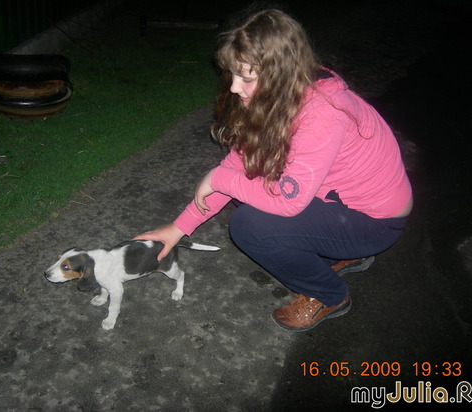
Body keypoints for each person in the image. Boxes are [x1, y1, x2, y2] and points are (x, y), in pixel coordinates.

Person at [134, 8, 413, 332]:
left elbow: (284, 201)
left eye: (247, 78)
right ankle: (341, 254)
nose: (235, 87)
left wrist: (218, 179)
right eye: (233, 75)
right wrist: (178, 228)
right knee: (245, 187)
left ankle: (329, 295)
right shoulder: (282, 95)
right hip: (342, 206)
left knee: (251, 225)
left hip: (375, 222)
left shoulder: (323, 114)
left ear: (279, 74)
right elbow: (238, 164)